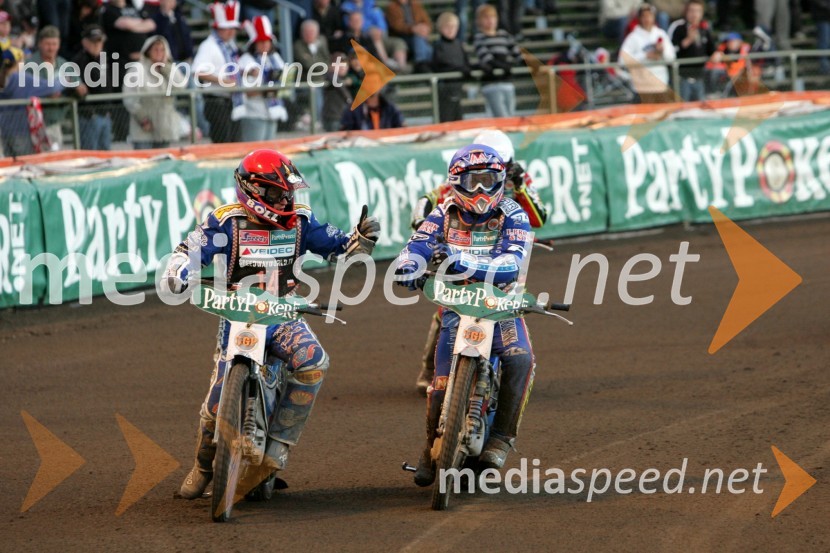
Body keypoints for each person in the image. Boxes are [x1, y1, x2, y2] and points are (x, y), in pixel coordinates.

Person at [163, 148, 380, 500]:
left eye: (289, 192)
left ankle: (278, 445)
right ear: (255, 191)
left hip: (282, 315)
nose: (287, 198)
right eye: (279, 193)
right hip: (237, 314)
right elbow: (191, 249)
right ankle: (203, 466)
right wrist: (178, 270)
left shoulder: (302, 220)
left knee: (314, 362)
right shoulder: (226, 221)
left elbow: (341, 247)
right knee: (214, 407)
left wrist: (362, 238)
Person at [395, 143, 537, 484]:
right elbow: (415, 245)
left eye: (488, 180)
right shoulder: (442, 213)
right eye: (473, 182)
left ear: (501, 179)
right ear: (456, 182)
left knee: (521, 359)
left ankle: (502, 438)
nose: (481, 190)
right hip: (456, 306)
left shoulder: (512, 214)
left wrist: (459, 262)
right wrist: (408, 266)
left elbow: (511, 264)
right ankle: (431, 445)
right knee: (439, 386)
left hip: (500, 305)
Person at [410, 129, 548, 394]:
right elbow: (424, 208)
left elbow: (539, 217)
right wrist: (428, 235)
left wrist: (520, 186)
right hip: (460, 255)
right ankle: (432, 369)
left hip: (506, 252)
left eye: (500, 169)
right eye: (477, 177)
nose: (482, 185)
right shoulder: (457, 182)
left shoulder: (519, 181)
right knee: (446, 308)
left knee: (509, 299)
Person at [122, 35, 189, 149]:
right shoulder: (137, 69)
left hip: (165, 125)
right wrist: (142, 118)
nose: (159, 53)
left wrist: (166, 68)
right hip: (144, 127)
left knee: (164, 163)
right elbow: (129, 98)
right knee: (145, 163)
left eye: (162, 50)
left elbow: (182, 86)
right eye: (155, 49)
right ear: (148, 51)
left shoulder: (169, 68)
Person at [192, 1, 243, 143]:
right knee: (223, 142)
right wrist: (223, 81)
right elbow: (197, 71)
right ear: (218, 28)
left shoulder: (229, 46)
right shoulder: (209, 46)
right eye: (227, 28)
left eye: (233, 28)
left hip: (231, 101)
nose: (231, 31)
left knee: (235, 142)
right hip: (216, 101)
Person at [0, 45, 64, 156]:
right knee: (26, 165)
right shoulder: (20, 78)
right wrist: (64, 79)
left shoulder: (4, 78)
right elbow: (52, 87)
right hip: (21, 132)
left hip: (4, 132)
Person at [237, 15, 289, 141]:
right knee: (255, 150)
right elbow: (246, 91)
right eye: (261, 41)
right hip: (255, 112)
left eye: (267, 41)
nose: (265, 44)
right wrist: (265, 91)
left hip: (273, 110)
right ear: (254, 44)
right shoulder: (246, 60)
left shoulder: (275, 58)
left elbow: (285, 80)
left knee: (269, 149)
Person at [70, 25, 116, 150]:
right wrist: (90, 113)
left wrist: (108, 110)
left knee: (106, 154)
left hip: (105, 114)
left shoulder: (104, 59)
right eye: (93, 41)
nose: (96, 44)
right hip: (88, 116)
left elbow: (108, 85)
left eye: (99, 41)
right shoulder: (78, 61)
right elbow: (72, 87)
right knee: (90, 155)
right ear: (85, 42)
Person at [620, 2, 676, 103]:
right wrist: (645, 55)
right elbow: (622, 61)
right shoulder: (633, 37)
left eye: (650, 16)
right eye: (644, 16)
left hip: (660, 86)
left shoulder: (661, 34)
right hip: (641, 89)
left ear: (654, 17)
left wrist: (662, 52)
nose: (647, 19)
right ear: (639, 18)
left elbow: (671, 58)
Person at [26, 26, 71, 150]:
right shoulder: (30, 64)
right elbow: (29, 89)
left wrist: (68, 92)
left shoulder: (63, 63)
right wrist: (48, 93)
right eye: (47, 44)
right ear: (40, 44)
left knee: (55, 159)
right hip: (35, 123)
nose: (51, 48)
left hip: (57, 120)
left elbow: (76, 83)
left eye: (54, 44)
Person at [473, 4, 521, 119]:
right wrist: (503, 66)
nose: (490, 21)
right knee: (502, 117)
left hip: (507, 82)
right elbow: (487, 58)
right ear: (480, 20)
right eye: (486, 18)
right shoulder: (480, 38)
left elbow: (517, 53)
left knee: (510, 115)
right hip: (492, 83)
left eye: (492, 17)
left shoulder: (504, 35)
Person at [668, 0, 715, 101]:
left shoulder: (704, 29)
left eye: (698, 11)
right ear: (686, 12)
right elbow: (669, 52)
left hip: (700, 77)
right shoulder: (678, 27)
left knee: (700, 109)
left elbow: (712, 50)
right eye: (692, 11)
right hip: (682, 78)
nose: (694, 14)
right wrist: (687, 41)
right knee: (682, 109)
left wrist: (717, 54)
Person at [431, 12, 470, 123]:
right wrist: (458, 69)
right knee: (446, 119)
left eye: (453, 27)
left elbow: (466, 62)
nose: (450, 30)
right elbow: (440, 64)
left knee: (459, 119)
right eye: (447, 27)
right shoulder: (438, 46)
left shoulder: (459, 44)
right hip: (444, 90)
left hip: (458, 88)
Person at [385, 0, 433, 72]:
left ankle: (423, 64)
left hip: (417, 35)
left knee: (422, 41)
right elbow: (397, 26)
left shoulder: (416, 4)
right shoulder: (392, 7)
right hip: (402, 36)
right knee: (419, 39)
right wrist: (412, 29)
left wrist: (425, 28)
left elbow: (426, 20)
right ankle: (421, 63)